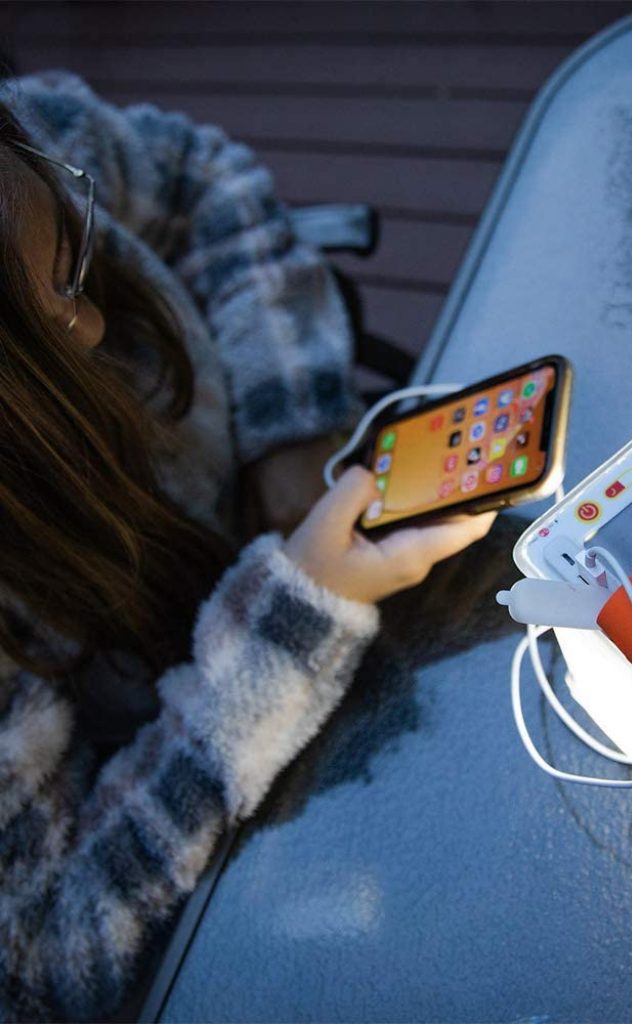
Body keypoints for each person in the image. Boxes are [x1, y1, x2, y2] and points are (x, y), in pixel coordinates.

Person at [0, 69, 494, 1021]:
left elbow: (202, 175)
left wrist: (288, 423)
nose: (98, 321)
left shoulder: (38, 139)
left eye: (79, 264)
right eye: (48, 321)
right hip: (265, 825)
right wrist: (293, 613)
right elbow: (52, 959)